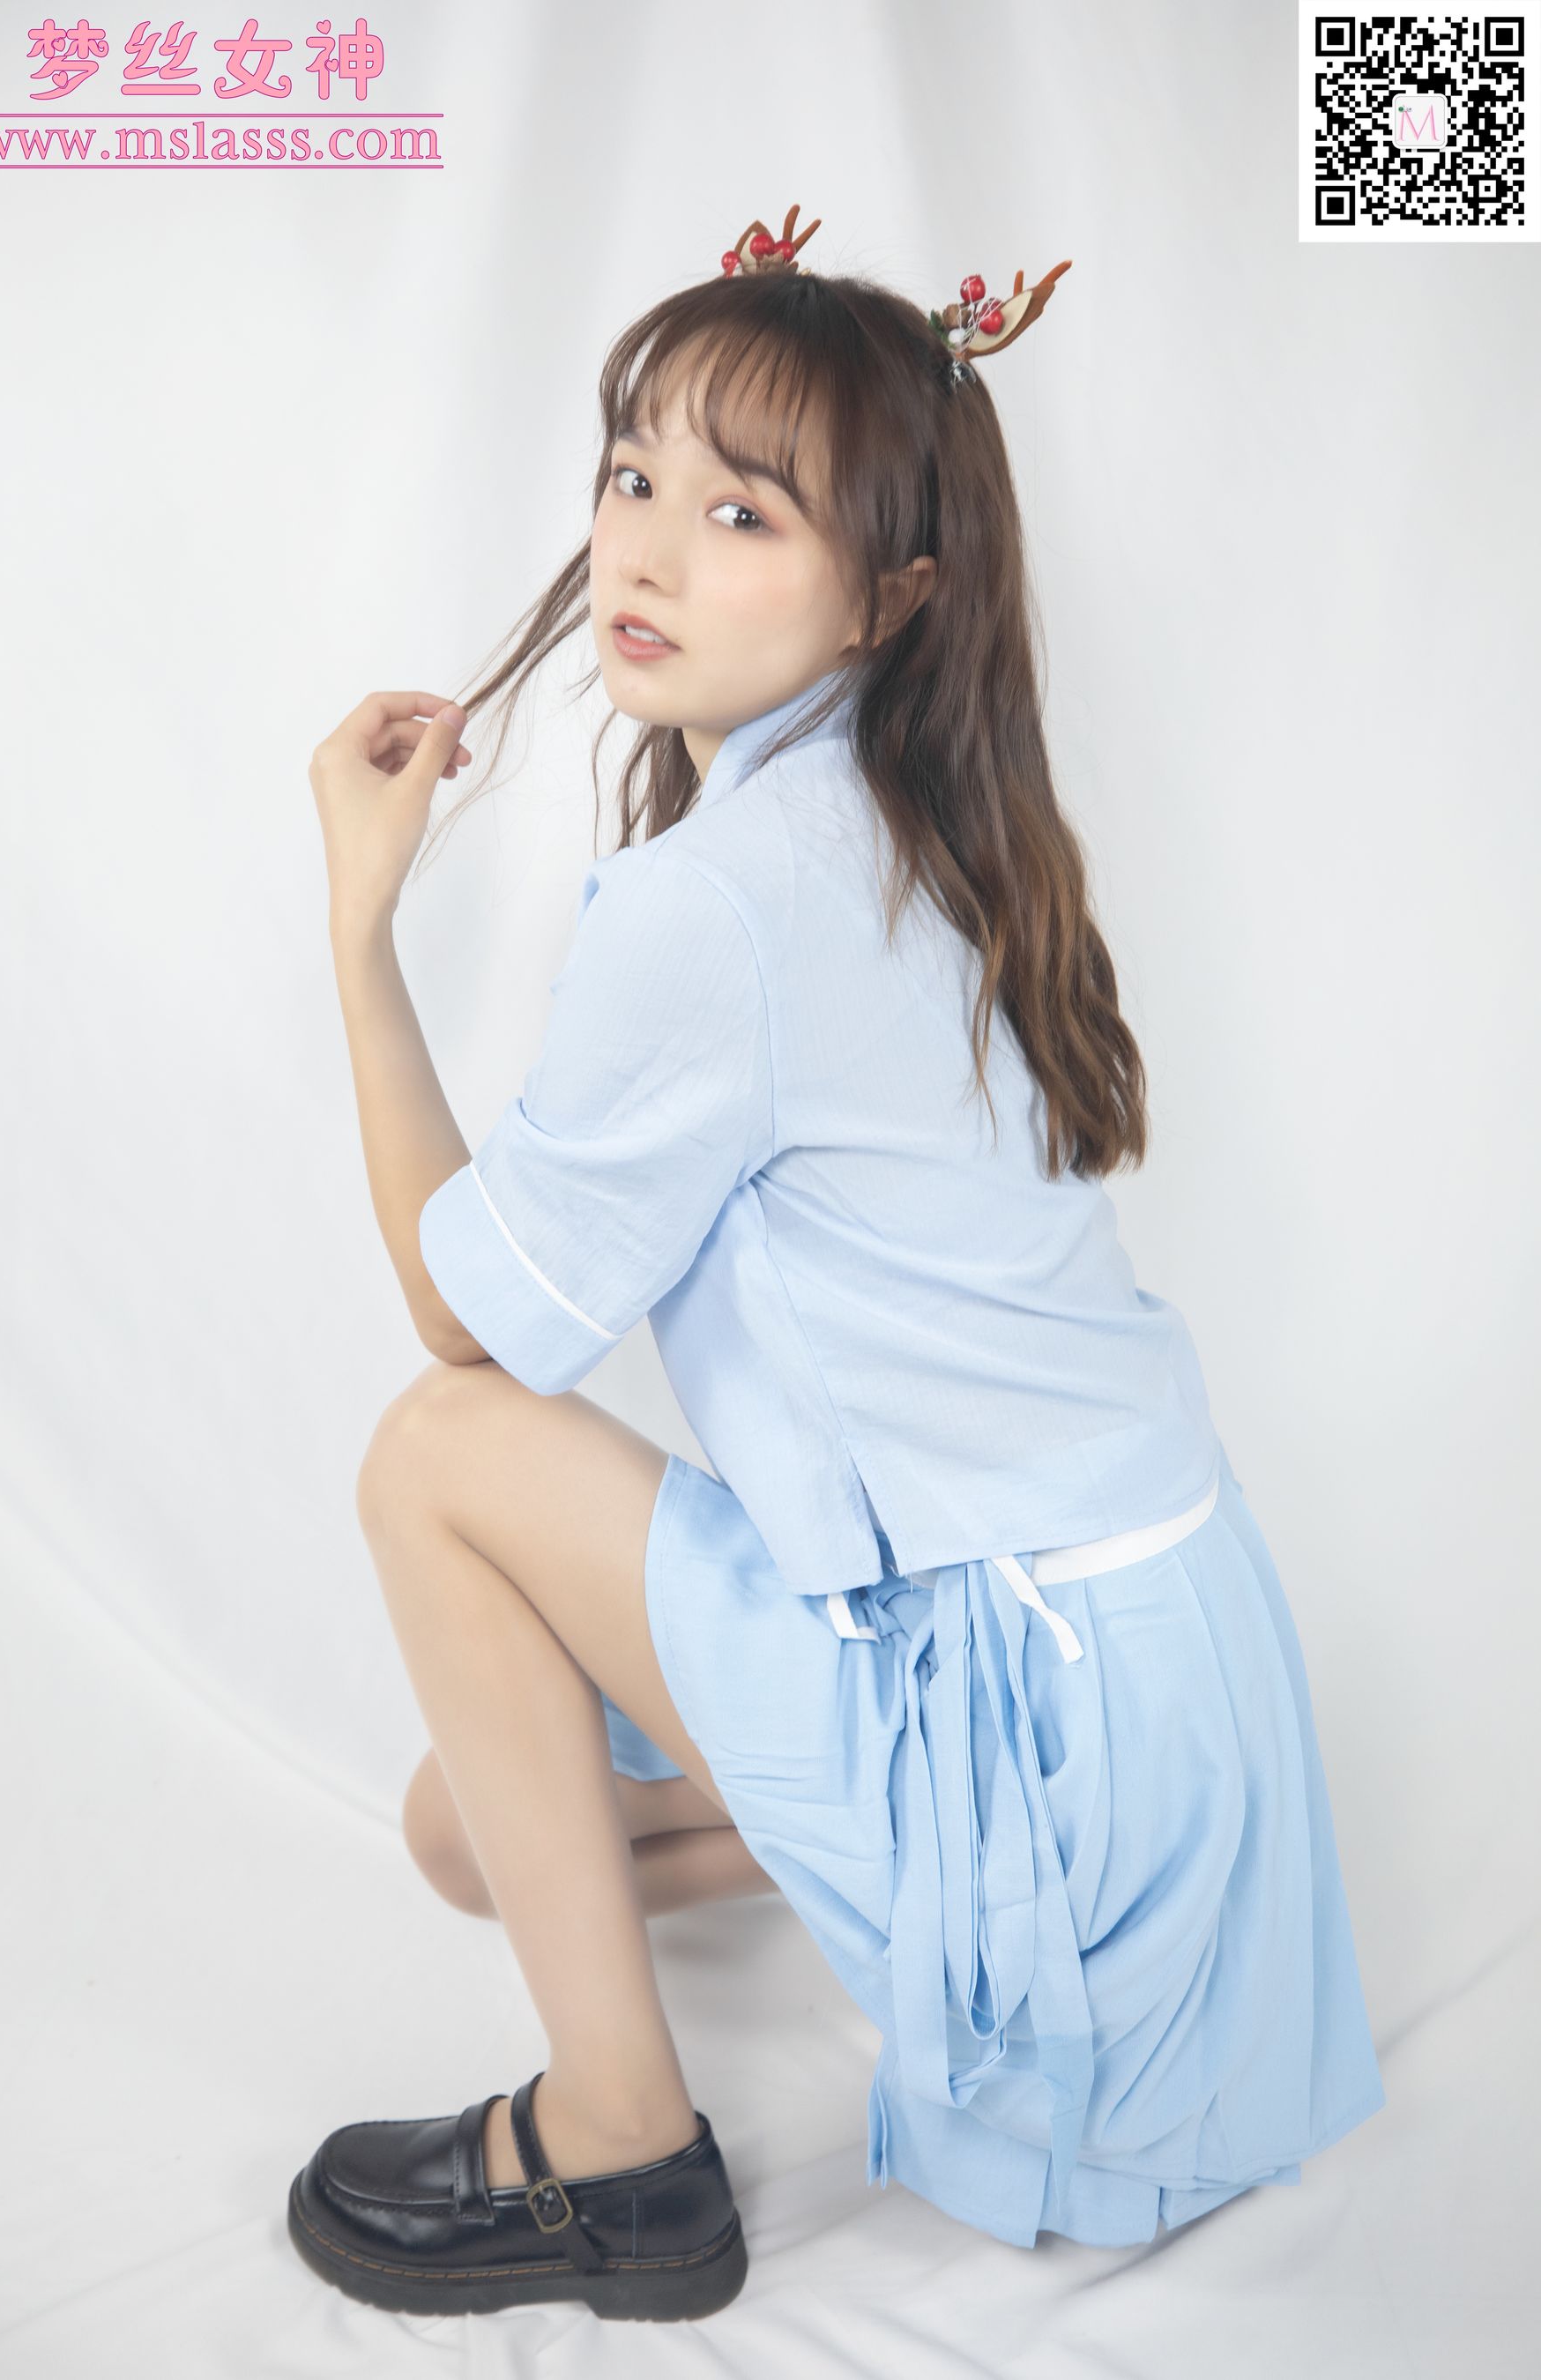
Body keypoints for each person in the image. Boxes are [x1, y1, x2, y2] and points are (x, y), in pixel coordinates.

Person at [287, 207, 1385, 2323]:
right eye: (634, 476)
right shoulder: (922, 822)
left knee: (437, 1450)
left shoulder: (730, 898)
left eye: (741, 513)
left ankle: (621, 2160)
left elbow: (465, 1318)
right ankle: (939, 1934)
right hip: (1172, 1729)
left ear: (894, 593)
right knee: (467, 1829)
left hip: (1043, 1741)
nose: (646, 552)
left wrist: (358, 927)